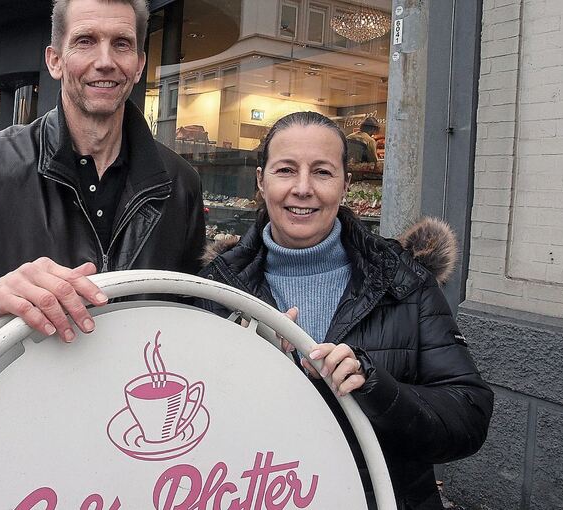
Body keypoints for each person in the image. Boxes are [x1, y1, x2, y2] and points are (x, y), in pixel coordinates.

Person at [199, 111, 492, 510]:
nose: (303, 189)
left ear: (345, 184)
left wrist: (375, 387)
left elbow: (468, 418)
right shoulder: (217, 289)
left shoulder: (403, 281)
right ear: (261, 181)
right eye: (286, 170)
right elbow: (190, 427)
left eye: (322, 172)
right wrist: (248, 370)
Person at [0, 0, 205, 348]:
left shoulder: (179, 182)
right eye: (85, 41)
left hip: (134, 395)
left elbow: (196, 301)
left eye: (122, 44)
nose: (105, 61)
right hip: (23, 393)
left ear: (139, 64)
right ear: (54, 60)